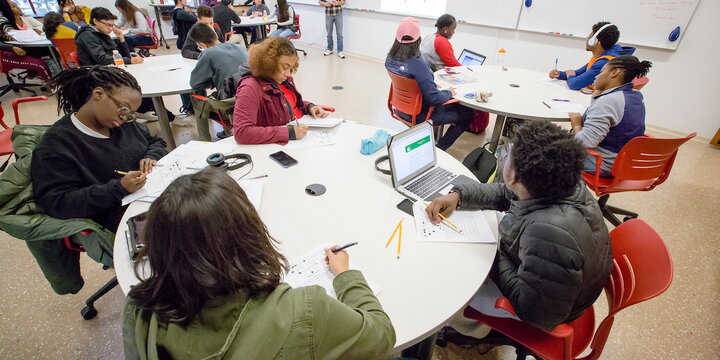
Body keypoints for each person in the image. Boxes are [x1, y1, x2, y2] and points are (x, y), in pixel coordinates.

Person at [122, 167, 396, 359]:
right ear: (247, 233)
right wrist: (347, 276)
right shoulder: (306, 310)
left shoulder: (139, 310)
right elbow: (381, 336)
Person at [426, 120, 612, 342]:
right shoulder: (561, 183)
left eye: (509, 154)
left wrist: (492, 256)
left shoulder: (549, 233)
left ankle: (471, 330)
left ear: (513, 175)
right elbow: (506, 193)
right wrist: (459, 196)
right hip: (556, 284)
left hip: (541, 310)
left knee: (453, 279)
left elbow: (535, 313)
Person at [31, 66, 167, 233]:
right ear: (98, 94)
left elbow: (155, 141)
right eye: (123, 109)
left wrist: (151, 156)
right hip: (121, 218)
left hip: (152, 200)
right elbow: (57, 202)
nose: (125, 118)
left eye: (130, 114)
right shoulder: (57, 145)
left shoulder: (120, 124)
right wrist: (119, 188)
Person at [385, 17, 472, 151]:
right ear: (418, 38)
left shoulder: (389, 58)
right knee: (467, 115)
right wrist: (449, 92)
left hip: (400, 108)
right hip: (420, 113)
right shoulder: (418, 64)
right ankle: (440, 149)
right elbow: (433, 98)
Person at [233, 37, 329, 145]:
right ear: (269, 62)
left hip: (298, 133)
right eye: (284, 67)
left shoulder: (281, 80)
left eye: (291, 68)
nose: (288, 73)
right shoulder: (250, 87)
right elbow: (242, 132)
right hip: (275, 148)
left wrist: (309, 107)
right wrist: (289, 133)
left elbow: (288, 104)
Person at [571, 55, 652, 176]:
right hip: (624, 161)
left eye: (602, 71)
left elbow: (585, 142)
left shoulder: (609, 101)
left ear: (615, 72)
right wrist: (597, 96)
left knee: (544, 151)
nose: (597, 76)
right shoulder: (635, 95)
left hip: (603, 164)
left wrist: (576, 124)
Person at [549, 21, 635, 91]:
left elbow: (575, 84)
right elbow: (578, 73)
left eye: (589, 37)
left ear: (595, 42)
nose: (587, 39)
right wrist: (560, 74)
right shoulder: (602, 56)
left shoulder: (605, 62)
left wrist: (570, 75)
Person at [189, 22, 248, 99]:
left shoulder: (208, 53)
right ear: (216, 35)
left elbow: (195, 83)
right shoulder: (240, 47)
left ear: (202, 45)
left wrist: (214, 81)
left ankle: (189, 109)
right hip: (251, 94)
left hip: (230, 102)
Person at [0, 0, 53, 84]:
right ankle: (52, 84)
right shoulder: (5, 23)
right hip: (13, 51)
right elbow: (15, 36)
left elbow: (41, 26)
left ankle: (35, 74)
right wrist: (11, 47)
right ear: (7, 10)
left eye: (16, 5)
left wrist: (35, 30)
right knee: (41, 62)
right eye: (13, 7)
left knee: (52, 50)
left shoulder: (25, 17)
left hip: (30, 45)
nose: (18, 7)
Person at [74, 6, 141, 66]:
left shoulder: (102, 33)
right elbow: (102, 59)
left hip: (109, 68)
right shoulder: (86, 36)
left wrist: (121, 39)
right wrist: (129, 61)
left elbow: (123, 55)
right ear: (95, 21)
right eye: (108, 25)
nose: (111, 29)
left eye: (112, 25)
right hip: (96, 73)